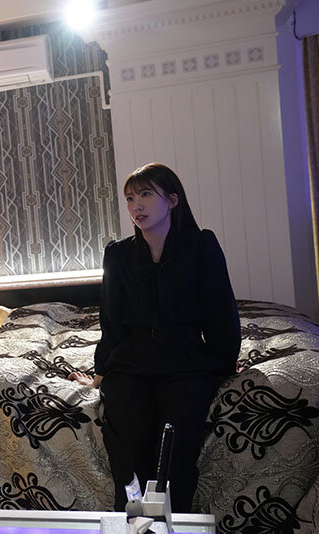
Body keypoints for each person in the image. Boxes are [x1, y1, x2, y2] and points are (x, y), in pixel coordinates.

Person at [69, 163, 241, 513]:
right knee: (128, 444)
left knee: (174, 446)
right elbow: (111, 322)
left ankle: (173, 524)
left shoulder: (200, 245)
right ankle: (133, 524)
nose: (136, 206)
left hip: (186, 361)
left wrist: (225, 363)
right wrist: (100, 373)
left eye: (146, 195)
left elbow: (221, 311)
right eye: (130, 198)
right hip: (131, 363)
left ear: (172, 200)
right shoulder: (118, 254)